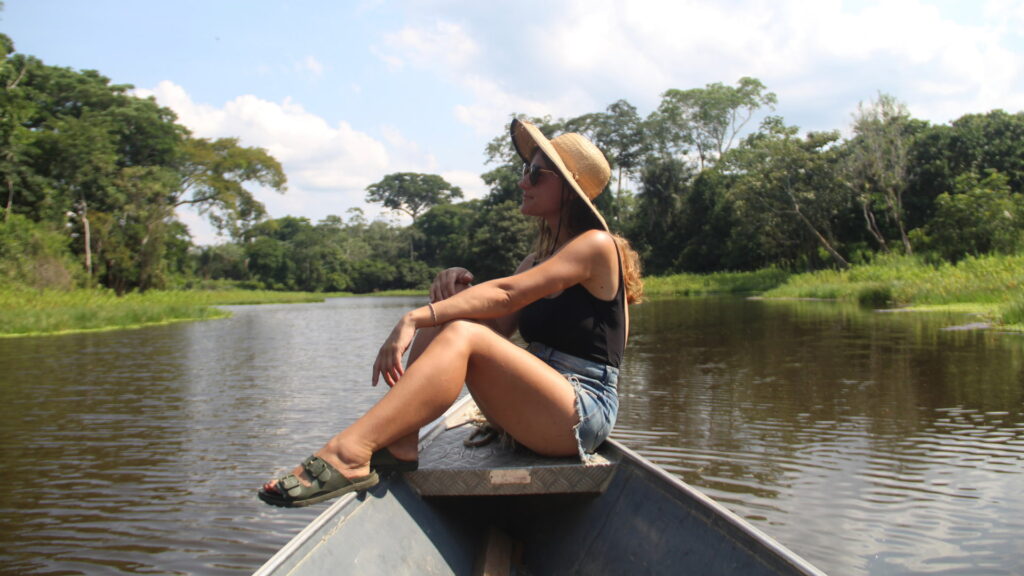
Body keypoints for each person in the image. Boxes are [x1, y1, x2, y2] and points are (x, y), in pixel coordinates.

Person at [259, 119, 643, 507]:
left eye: (535, 173)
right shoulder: (535, 261)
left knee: (456, 328)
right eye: (524, 171)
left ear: (568, 188)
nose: (522, 182)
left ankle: (349, 452)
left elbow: (507, 295)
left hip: (583, 412)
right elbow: (495, 325)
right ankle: (404, 441)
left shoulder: (597, 245)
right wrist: (453, 295)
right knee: (455, 322)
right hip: (544, 403)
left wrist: (416, 316)